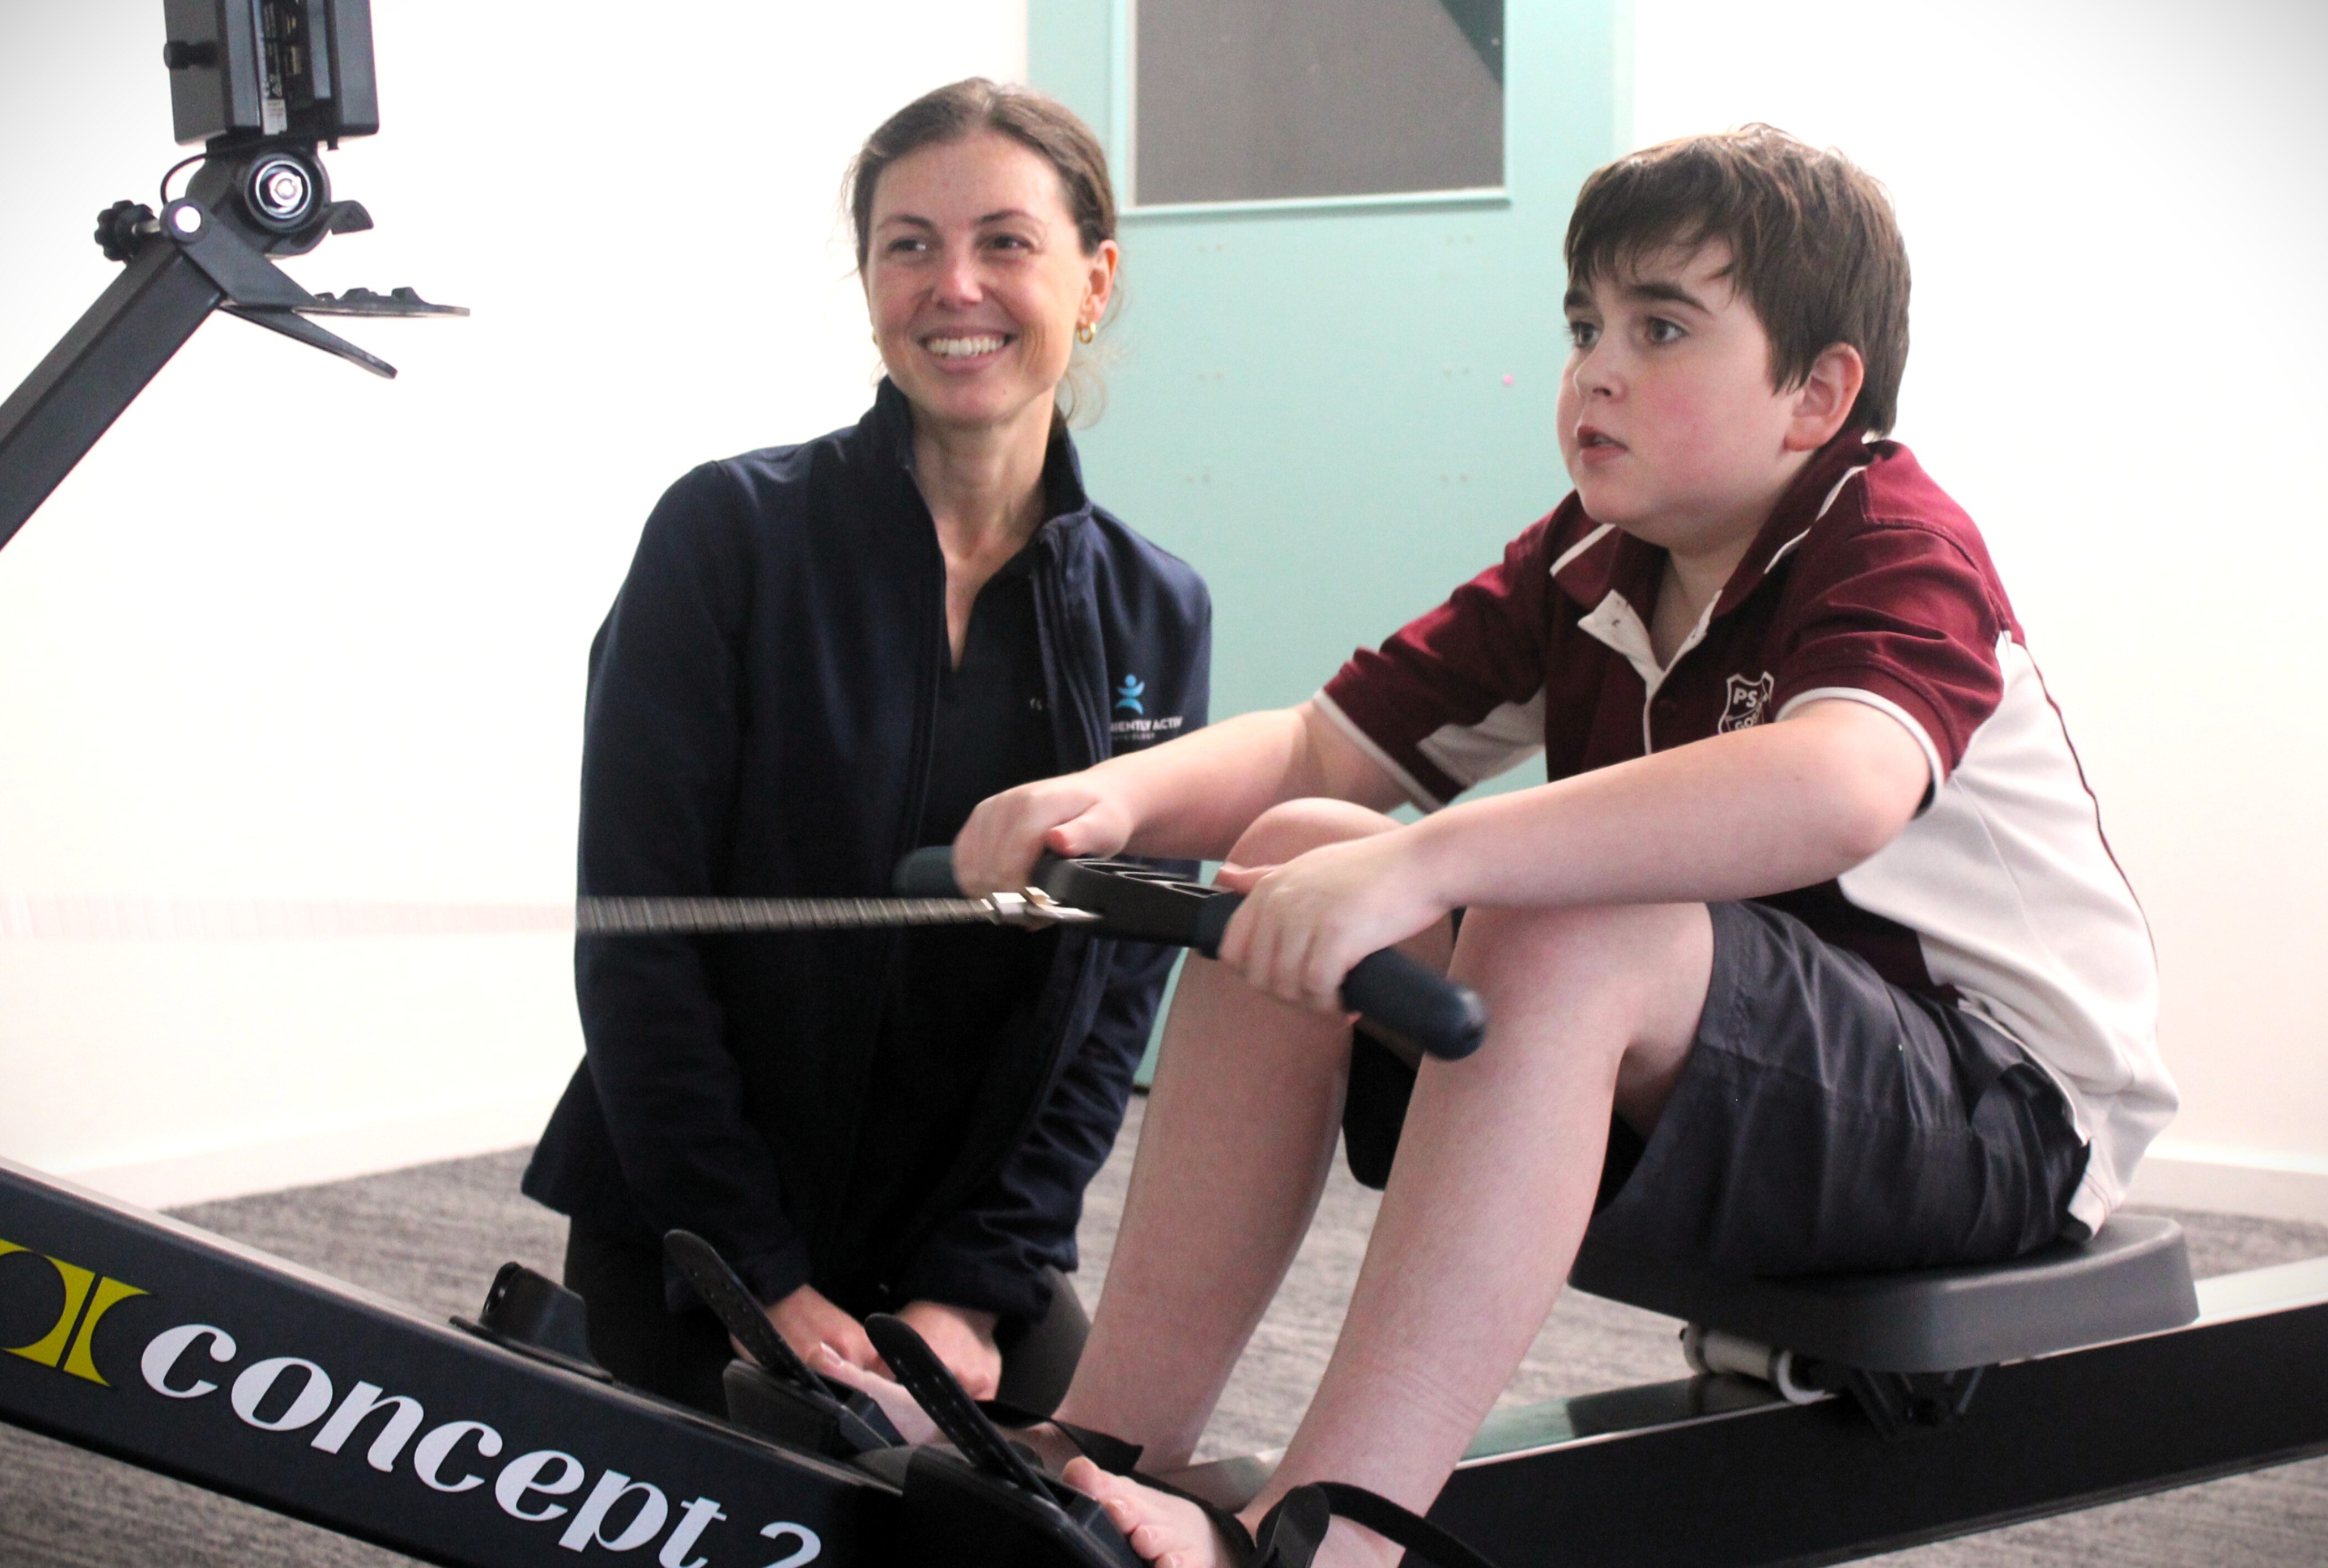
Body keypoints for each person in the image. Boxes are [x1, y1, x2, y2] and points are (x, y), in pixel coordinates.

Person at [941, 126, 2174, 1566]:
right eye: (1584, 323)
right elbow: (1318, 747)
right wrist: (1105, 800)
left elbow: (1837, 783)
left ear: (1815, 393)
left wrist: (1438, 861)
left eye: (1659, 327)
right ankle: (1099, 1445)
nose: (1594, 366)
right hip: (1753, 1078)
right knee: (1288, 845)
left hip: (2000, 1113)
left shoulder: (1885, 534)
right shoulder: (1588, 561)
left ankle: (1329, 1537)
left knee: (1561, 909)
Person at [521, 79, 1210, 1417]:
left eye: (1006, 241)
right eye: (910, 245)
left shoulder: (1154, 606)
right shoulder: (723, 537)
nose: (955, 285)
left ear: (1095, 279)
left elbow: (1109, 1001)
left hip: (956, 1253)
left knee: (1090, 1512)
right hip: (693, 1228)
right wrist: (760, 1279)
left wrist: (973, 1288)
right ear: (871, 279)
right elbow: (636, 941)